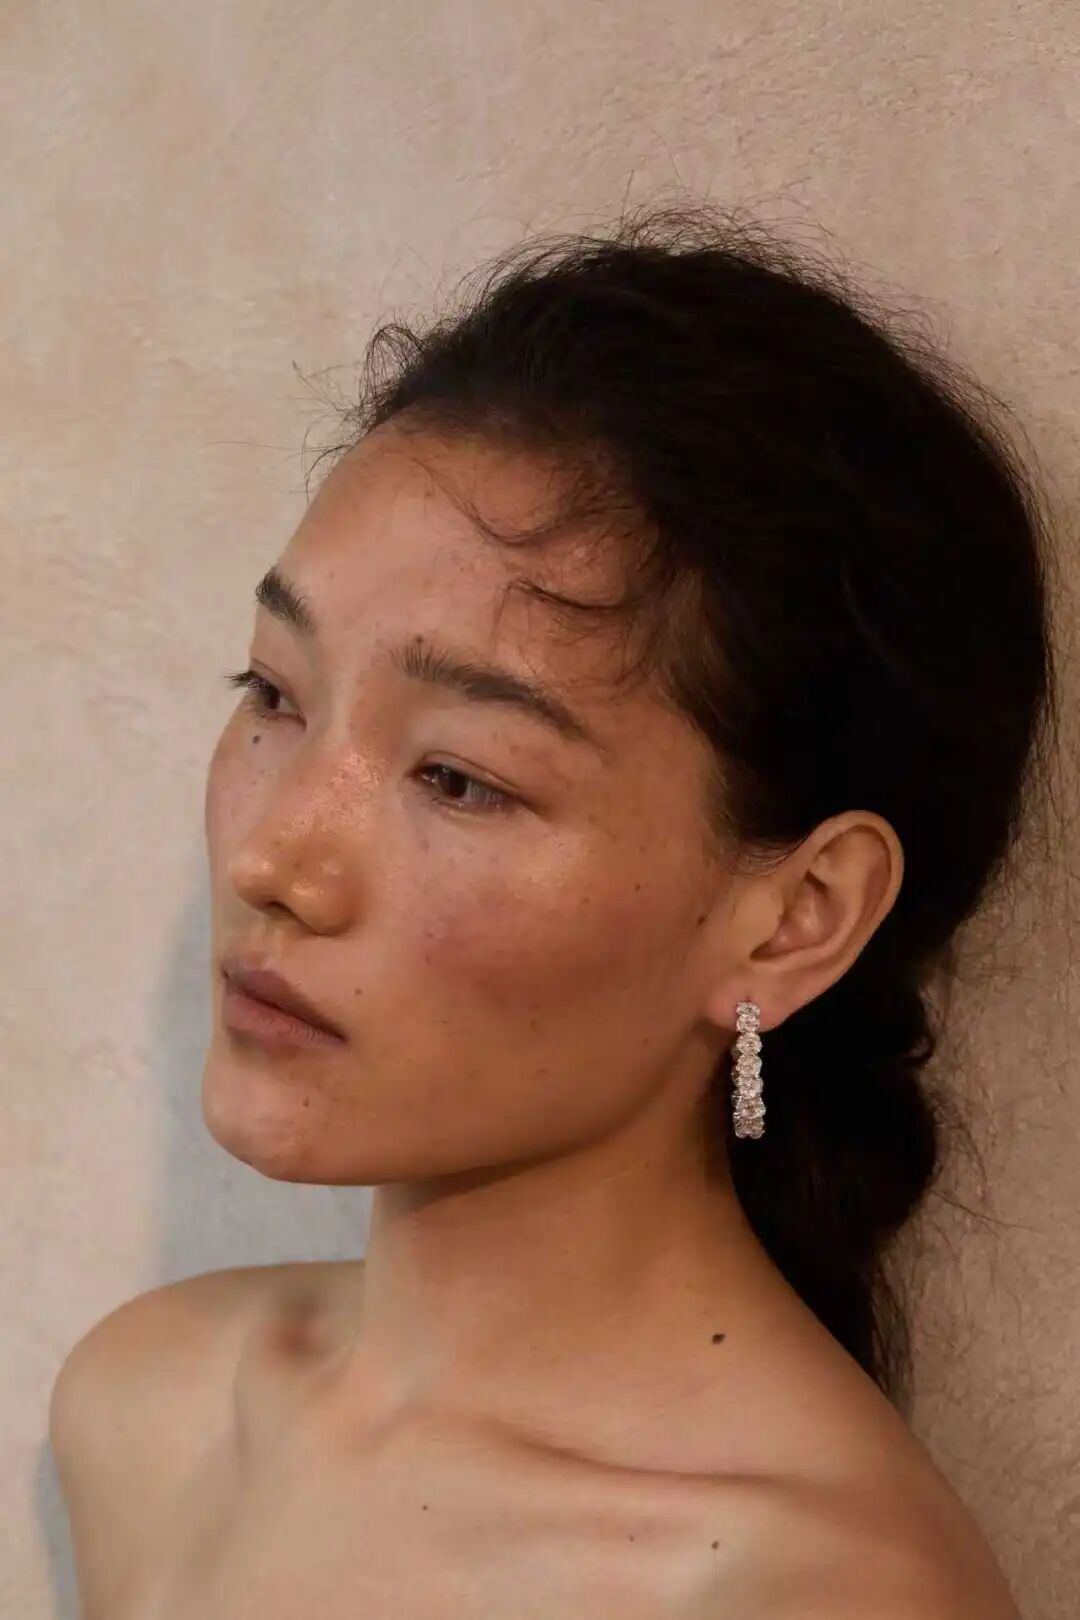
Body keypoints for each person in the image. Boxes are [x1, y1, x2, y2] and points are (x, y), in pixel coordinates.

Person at [51, 202, 1059, 1618]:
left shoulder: (817, 1591)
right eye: (274, 692)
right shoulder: (149, 1412)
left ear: (795, 918)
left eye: (459, 779)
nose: (275, 861)